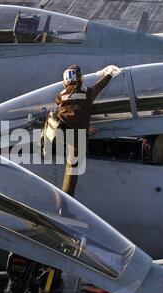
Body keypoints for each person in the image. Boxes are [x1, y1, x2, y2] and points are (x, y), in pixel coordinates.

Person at [55, 64, 120, 196]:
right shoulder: (88, 93)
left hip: (61, 130)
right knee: (72, 173)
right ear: (80, 78)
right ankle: (64, 207)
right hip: (77, 137)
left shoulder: (60, 96)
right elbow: (99, 87)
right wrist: (109, 74)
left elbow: (71, 111)